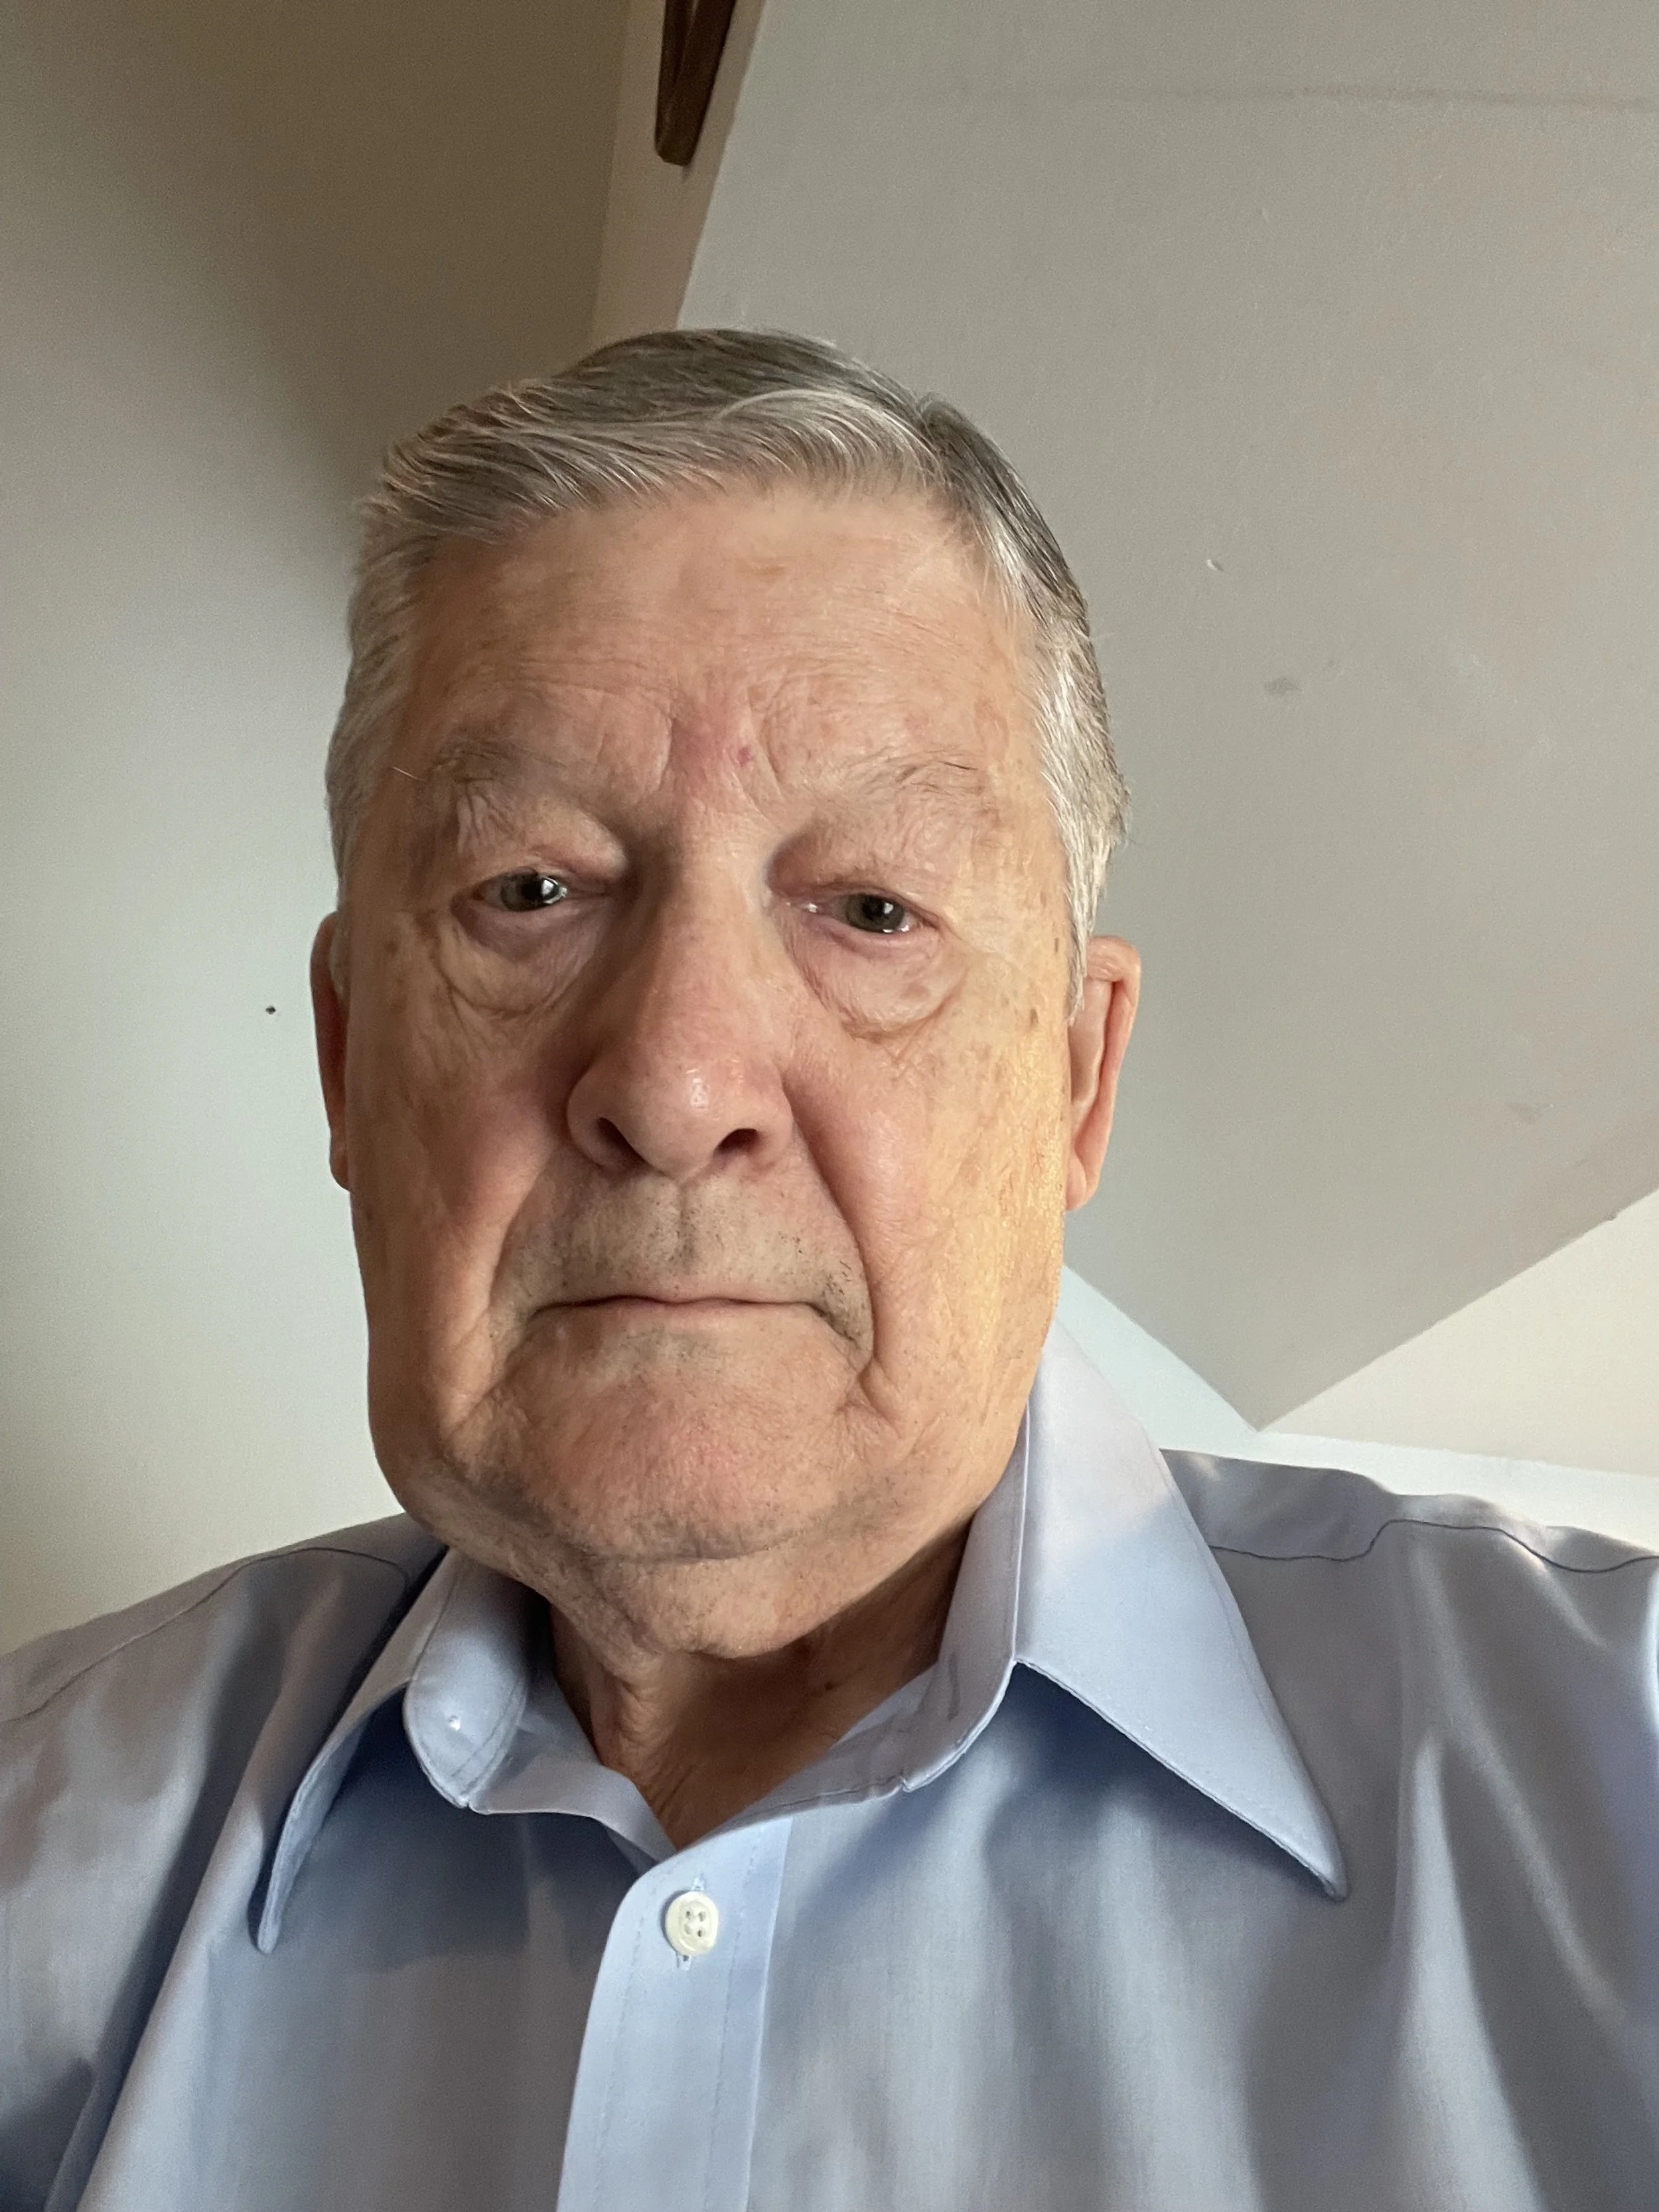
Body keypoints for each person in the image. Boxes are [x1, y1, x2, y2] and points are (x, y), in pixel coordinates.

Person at [3, 330, 1656, 2212]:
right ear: (344, 1055)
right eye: (527, 891)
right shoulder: (38, 1836)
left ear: (1073, 1080)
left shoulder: (1615, 1780)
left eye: (869, 907)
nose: (674, 1080)